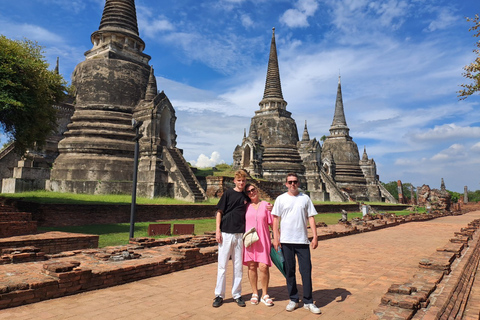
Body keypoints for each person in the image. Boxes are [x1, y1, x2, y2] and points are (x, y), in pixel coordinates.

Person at [272, 172, 321, 314]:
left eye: (295, 181)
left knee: (306, 271)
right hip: (286, 241)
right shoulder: (281, 199)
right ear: (286, 184)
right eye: (290, 182)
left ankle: (308, 301)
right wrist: (276, 238)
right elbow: (275, 219)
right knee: (290, 271)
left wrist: (315, 236)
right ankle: (293, 299)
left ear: (298, 183)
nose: (292, 184)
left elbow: (311, 218)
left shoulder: (305, 198)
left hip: (302, 241)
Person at [212, 170, 249, 308]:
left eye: (243, 181)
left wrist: (268, 206)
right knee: (222, 266)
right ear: (234, 181)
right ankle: (219, 295)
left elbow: (255, 206)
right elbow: (219, 212)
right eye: (239, 180)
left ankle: (237, 294)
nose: (241, 183)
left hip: (240, 235)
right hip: (226, 233)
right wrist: (217, 230)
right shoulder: (228, 193)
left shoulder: (246, 196)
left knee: (238, 267)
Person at [243, 183, 274, 307]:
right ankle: (255, 292)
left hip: (262, 240)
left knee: (263, 267)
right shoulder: (245, 207)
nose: (251, 192)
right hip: (250, 241)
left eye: (253, 189)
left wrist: (277, 238)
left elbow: (273, 223)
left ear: (257, 190)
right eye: (248, 191)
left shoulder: (266, 205)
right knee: (251, 266)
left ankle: (265, 294)